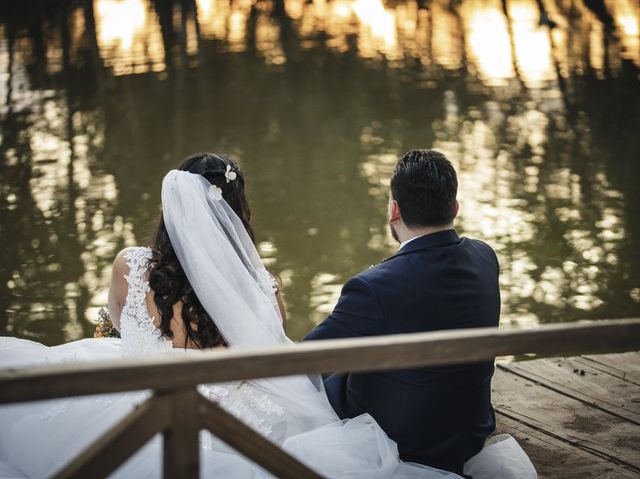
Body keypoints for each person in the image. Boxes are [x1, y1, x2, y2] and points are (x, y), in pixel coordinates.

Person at [0, 153, 467, 479]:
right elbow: (272, 349)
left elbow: (119, 325)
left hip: (132, 407)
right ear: (237, 213)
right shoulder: (260, 284)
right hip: (231, 421)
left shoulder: (131, 265)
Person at [304, 149, 536, 477]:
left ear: (394, 210)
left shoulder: (373, 286)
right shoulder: (485, 258)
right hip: (467, 432)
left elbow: (303, 358)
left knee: (320, 378)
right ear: (454, 208)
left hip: (402, 442)